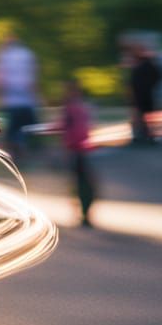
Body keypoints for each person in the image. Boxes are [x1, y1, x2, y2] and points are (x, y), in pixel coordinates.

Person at [0, 32, 39, 162]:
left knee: (11, 131)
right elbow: (33, 78)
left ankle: (13, 157)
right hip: (27, 101)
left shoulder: (2, 56)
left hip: (9, 102)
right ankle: (23, 153)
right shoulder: (27, 54)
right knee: (25, 130)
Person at [61, 80, 96, 227]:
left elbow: (66, 128)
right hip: (78, 149)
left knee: (82, 183)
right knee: (81, 183)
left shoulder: (73, 108)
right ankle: (83, 213)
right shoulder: (82, 107)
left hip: (80, 150)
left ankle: (84, 213)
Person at [127, 44, 162, 145]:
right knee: (145, 117)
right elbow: (157, 77)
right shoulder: (147, 65)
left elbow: (134, 82)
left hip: (141, 95)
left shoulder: (142, 66)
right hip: (145, 94)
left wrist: (149, 86)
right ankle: (146, 136)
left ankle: (142, 136)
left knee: (141, 117)